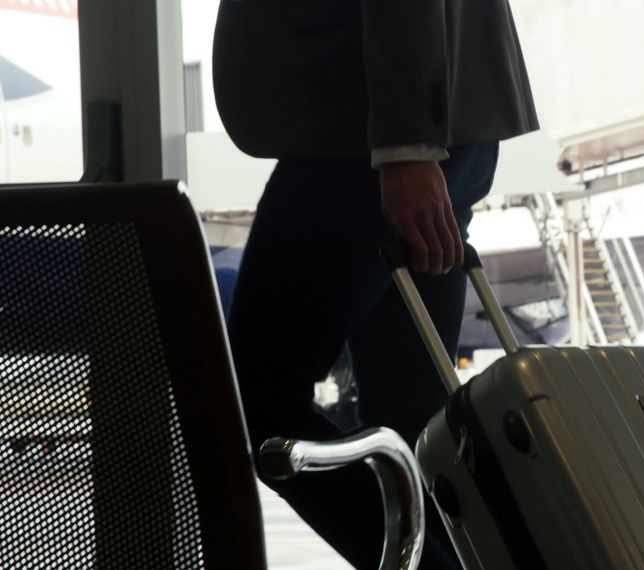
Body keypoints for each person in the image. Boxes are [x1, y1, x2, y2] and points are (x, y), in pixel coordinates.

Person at [212, 2, 539, 568]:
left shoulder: (389, 144)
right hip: (422, 128)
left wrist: (405, 147)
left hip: (366, 137)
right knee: (415, 421)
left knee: (255, 401)